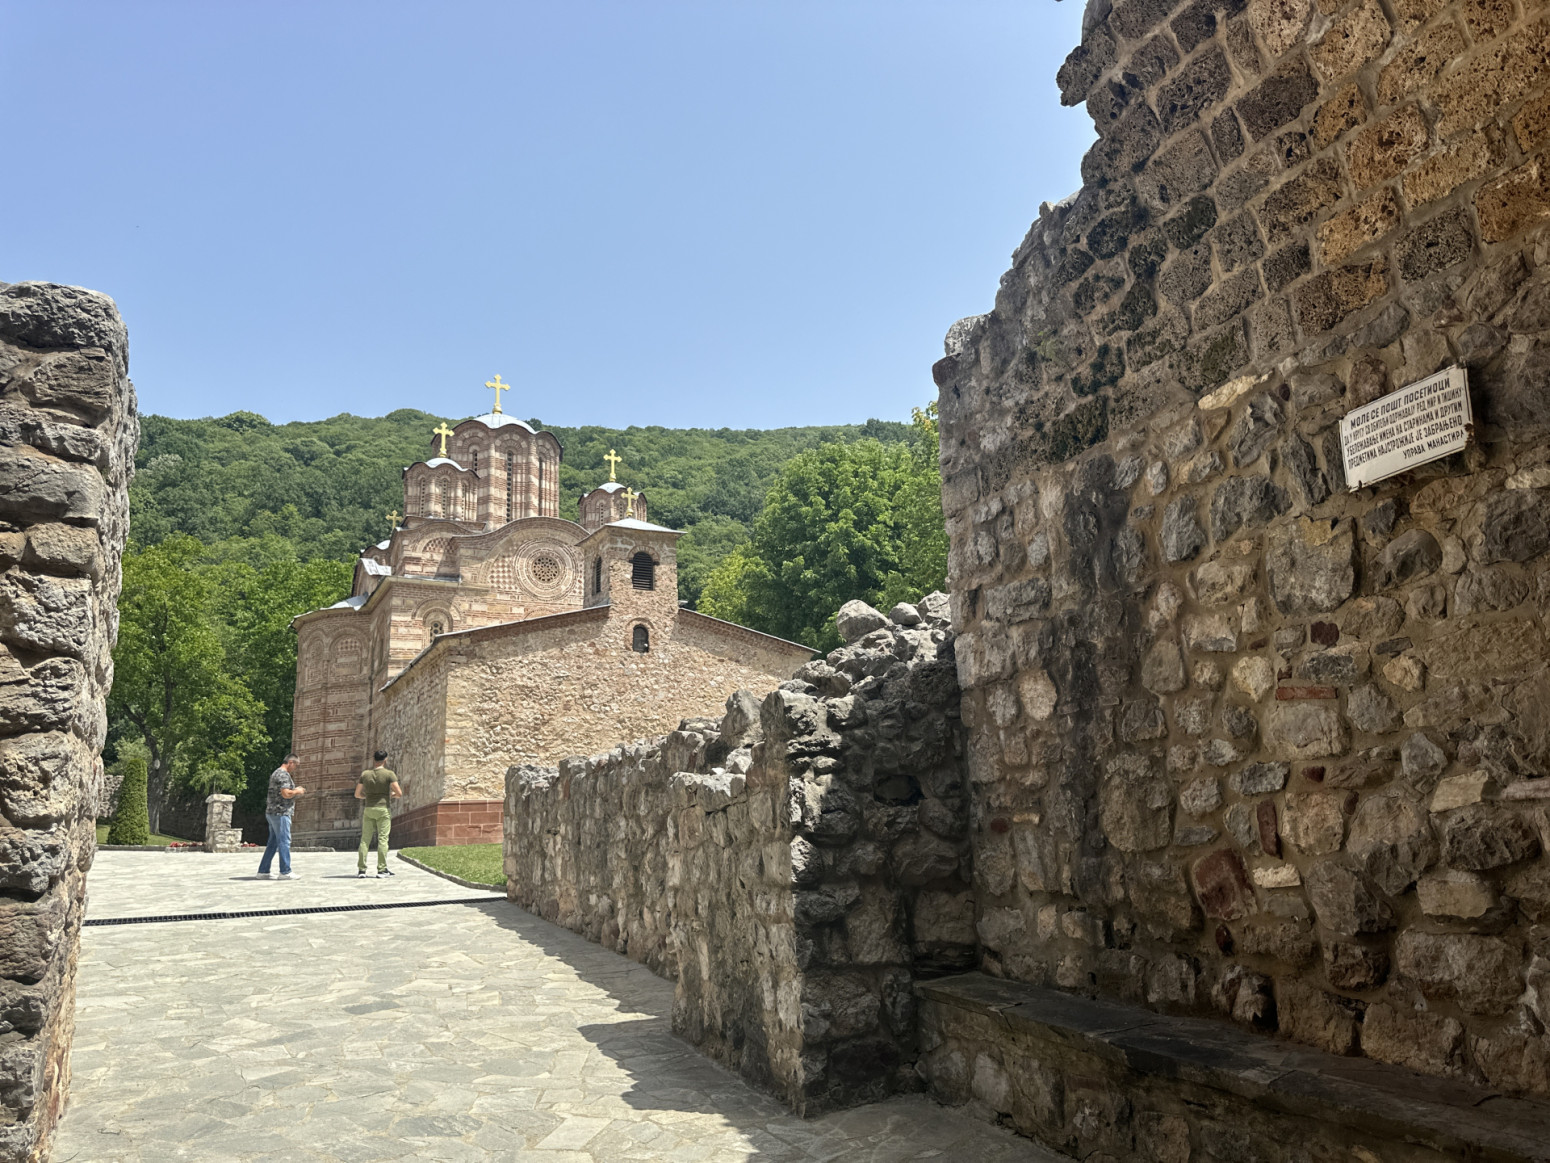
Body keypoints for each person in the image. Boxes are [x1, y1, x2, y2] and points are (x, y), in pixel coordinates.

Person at [258, 754, 306, 879]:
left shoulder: (275, 773)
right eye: (296, 765)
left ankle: (263, 871)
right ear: (291, 762)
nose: (295, 768)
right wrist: (297, 791)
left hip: (272, 812)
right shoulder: (283, 775)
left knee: (273, 842)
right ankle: (285, 871)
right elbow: (285, 793)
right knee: (284, 841)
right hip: (281, 813)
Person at [355, 751, 401, 878]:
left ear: (373, 759)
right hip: (383, 809)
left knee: (365, 840)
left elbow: (357, 794)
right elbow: (399, 793)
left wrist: (367, 796)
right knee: (383, 839)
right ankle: (381, 870)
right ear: (385, 760)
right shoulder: (389, 774)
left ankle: (361, 870)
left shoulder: (365, 774)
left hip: (369, 808)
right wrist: (390, 795)